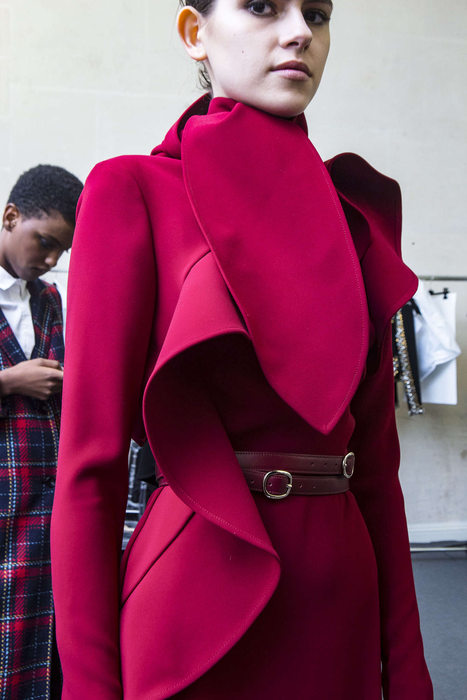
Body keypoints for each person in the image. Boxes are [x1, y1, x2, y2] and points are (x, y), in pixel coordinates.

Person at [51, 1, 433, 698]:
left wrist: (409, 674)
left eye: (316, 14)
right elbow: (88, 471)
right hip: (196, 604)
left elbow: (378, 472)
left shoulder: (353, 217)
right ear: (194, 32)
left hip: (340, 610)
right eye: (262, 6)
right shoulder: (132, 190)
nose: (299, 32)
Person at [0, 164, 83, 698]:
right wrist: (9, 381)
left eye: (61, 251)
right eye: (46, 243)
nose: (51, 260)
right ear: (11, 217)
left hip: (42, 513)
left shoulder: (48, 299)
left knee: (35, 656)